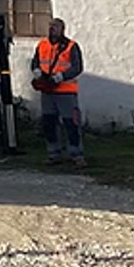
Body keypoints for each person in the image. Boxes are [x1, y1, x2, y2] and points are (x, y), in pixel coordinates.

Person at [31, 17, 85, 167]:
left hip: (66, 91)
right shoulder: (42, 45)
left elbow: (77, 67)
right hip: (48, 91)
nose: (52, 29)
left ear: (62, 29)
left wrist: (62, 76)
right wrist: (36, 71)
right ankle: (54, 153)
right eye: (50, 26)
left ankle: (76, 155)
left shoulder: (71, 46)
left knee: (71, 124)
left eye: (55, 26)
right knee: (49, 123)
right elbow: (35, 61)